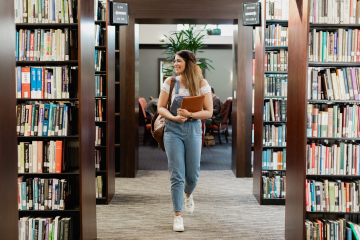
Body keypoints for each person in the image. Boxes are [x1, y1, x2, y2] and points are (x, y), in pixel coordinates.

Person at [157, 50, 213, 232]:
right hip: (172, 131)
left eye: (179, 61)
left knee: (193, 175)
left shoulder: (201, 83)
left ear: (189, 62)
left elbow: (209, 112)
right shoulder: (170, 82)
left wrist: (190, 114)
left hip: (194, 130)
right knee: (176, 174)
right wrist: (174, 118)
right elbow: (160, 108)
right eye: (174, 61)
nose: (175, 64)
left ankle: (188, 194)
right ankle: (177, 215)